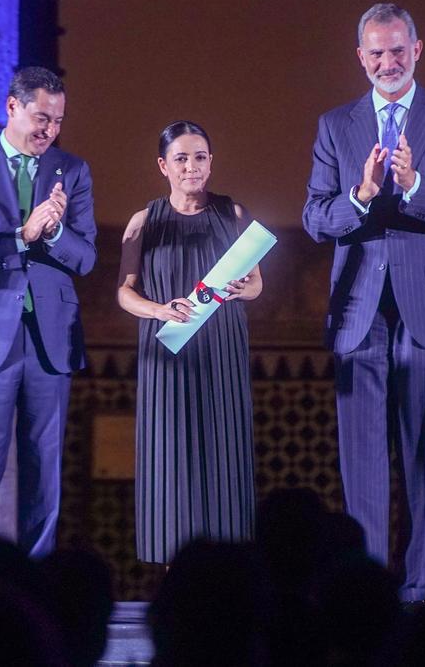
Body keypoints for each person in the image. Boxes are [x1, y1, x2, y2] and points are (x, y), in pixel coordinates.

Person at [302, 3, 425, 603]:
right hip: (358, 306)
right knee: (362, 460)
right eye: (375, 52)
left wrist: (414, 188)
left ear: (417, 50)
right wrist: (359, 196)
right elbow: (314, 217)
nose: (387, 61)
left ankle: (417, 588)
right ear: (360, 57)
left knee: (424, 454)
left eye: (398, 50)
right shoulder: (335, 124)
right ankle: (368, 591)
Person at [0, 66, 97, 556]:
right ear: (12, 107)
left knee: (44, 464)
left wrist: (53, 232)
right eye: (40, 116)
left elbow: (87, 257)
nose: (49, 129)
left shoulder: (71, 171)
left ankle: (39, 580)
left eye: (58, 120)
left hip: (50, 337)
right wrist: (21, 236)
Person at [118, 121, 260, 563]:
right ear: (163, 166)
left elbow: (256, 285)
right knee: (170, 457)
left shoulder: (233, 214)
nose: (192, 167)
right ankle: (171, 567)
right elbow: (124, 292)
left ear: (211, 161)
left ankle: (228, 566)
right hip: (167, 351)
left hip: (222, 348)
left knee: (224, 452)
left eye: (200, 157)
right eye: (181, 158)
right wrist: (159, 309)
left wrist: (241, 289)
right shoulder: (144, 221)